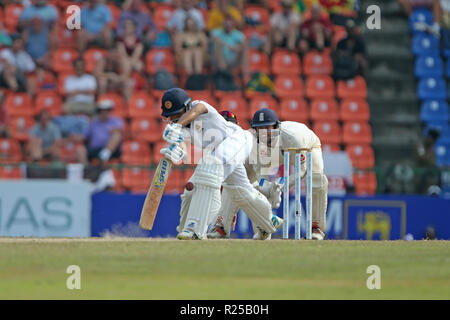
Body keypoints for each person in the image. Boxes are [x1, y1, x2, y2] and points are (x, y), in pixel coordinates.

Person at [160, 88, 284, 240]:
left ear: (186, 107)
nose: (172, 120)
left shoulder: (199, 106)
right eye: (169, 117)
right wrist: (177, 151)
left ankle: (195, 230)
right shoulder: (183, 128)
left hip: (236, 139)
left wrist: (177, 125)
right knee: (239, 190)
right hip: (221, 151)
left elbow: (197, 110)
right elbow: (182, 144)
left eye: (176, 115)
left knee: (209, 171)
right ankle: (269, 221)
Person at [208, 108, 328, 240]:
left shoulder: (293, 138)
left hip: (308, 147)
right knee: (234, 178)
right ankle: (224, 226)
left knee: (317, 179)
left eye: (267, 128)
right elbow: (262, 178)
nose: (264, 133)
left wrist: (281, 185)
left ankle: (315, 228)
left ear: (276, 126)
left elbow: (302, 170)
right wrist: (269, 188)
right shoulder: (253, 143)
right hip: (271, 154)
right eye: (260, 129)